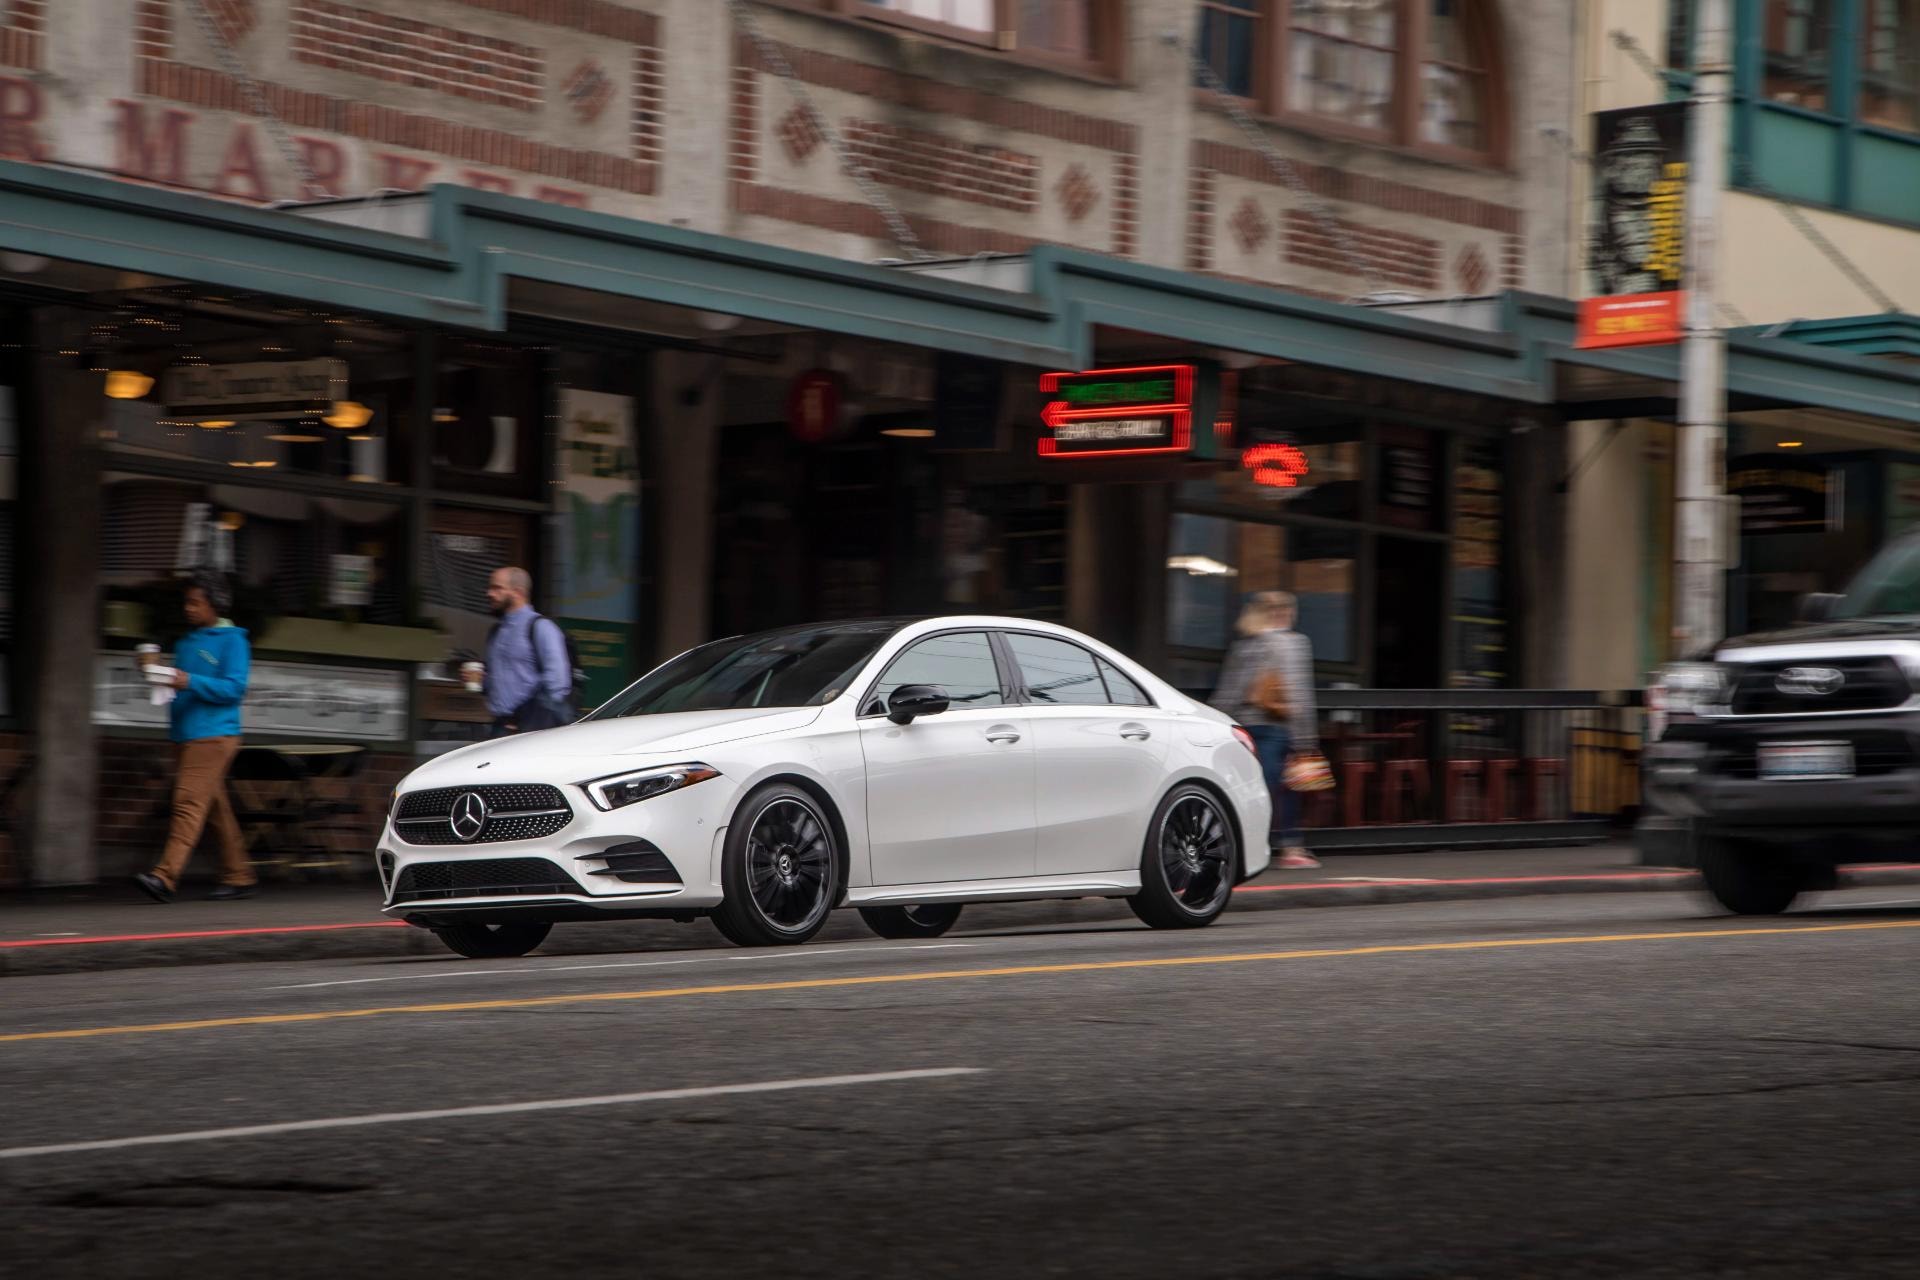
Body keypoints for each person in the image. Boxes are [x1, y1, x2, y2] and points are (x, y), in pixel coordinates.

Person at [134, 571, 255, 903]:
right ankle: (239, 874)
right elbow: (177, 683)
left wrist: (189, 682)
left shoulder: (233, 641)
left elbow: (234, 688)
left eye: (195, 602)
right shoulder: (188, 642)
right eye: (186, 601)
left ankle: (164, 876)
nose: (188, 608)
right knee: (216, 809)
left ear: (215, 604)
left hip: (214, 736)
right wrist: (153, 671)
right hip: (186, 735)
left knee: (187, 803)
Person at [1211, 590, 1320, 869]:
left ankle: (1227, 840)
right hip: (1277, 726)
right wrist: (1307, 738)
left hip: (1244, 727)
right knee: (1285, 787)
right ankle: (1290, 849)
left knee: (1245, 784)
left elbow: (1229, 691)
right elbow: (1299, 692)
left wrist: (1215, 722)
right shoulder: (1293, 643)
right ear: (1285, 612)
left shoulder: (1243, 645)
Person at [479, 566, 574, 736]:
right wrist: (481, 681)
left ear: (518, 592)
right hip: (499, 726)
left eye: (497, 588)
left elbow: (557, 682)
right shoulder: (496, 631)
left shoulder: (541, 627)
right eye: (490, 587)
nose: (489, 593)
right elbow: (497, 681)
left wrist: (531, 721)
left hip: (529, 731)